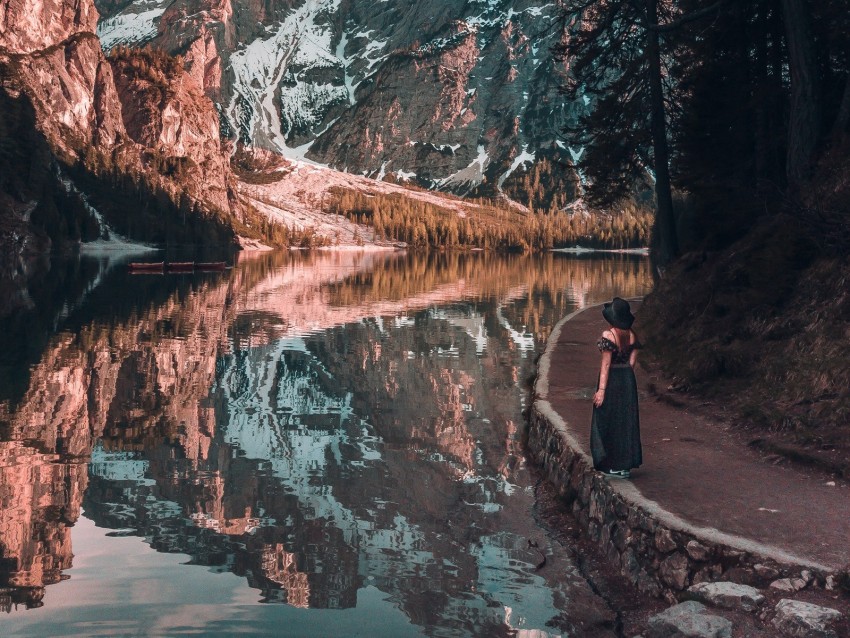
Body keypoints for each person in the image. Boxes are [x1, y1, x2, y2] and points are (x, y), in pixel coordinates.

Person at [590, 297, 642, 478]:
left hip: (612, 380)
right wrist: (626, 376)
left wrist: (601, 390)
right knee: (625, 421)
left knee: (607, 419)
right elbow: (632, 361)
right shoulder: (633, 335)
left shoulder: (609, 335)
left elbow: (605, 365)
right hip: (627, 379)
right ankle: (625, 465)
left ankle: (611, 464)